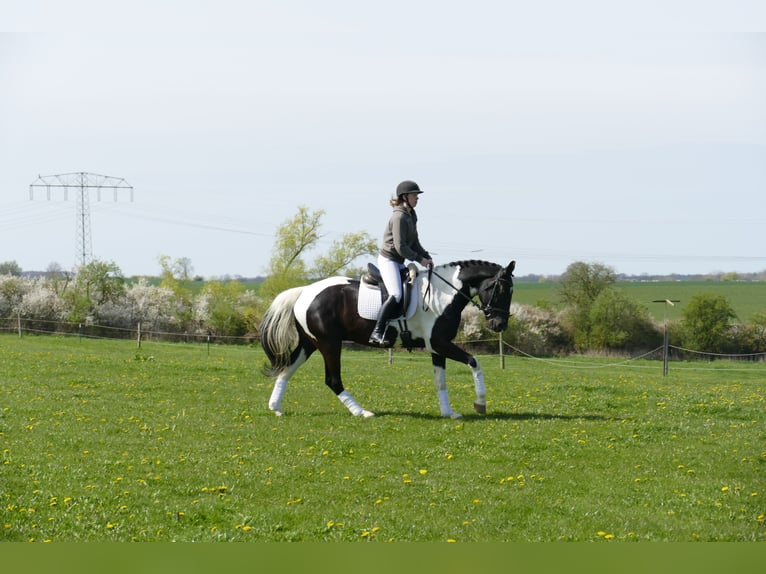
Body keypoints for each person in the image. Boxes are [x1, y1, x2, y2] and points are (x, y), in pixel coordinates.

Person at [368, 180, 434, 346]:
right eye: (415, 195)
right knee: (396, 294)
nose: (417, 198)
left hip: (399, 261)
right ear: (405, 197)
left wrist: (427, 256)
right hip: (389, 260)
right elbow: (400, 247)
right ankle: (377, 332)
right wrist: (420, 260)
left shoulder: (411, 215)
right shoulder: (398, 217)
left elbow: (414, 242)